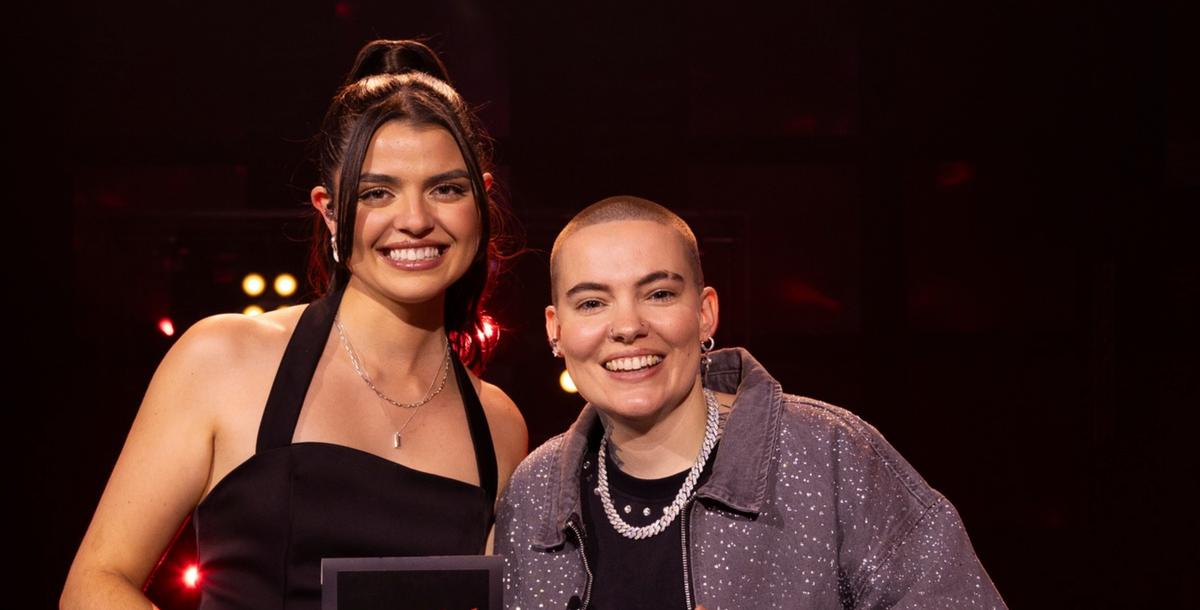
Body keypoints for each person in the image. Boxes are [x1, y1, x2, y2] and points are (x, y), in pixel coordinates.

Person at [61, 40, 527, 609]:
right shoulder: (223, 359)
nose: (415, 220)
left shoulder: (499, 428)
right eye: (377, 192)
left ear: (480, 199)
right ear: (329, 211)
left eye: (446, 189)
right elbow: (95, 585)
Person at [494, 196, 1005, 609]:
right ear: (555, 330)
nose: (627, 327)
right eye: (591, 303)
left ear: (705, 313)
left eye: (659, 295)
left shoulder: (827, 453)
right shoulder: (534, 492)